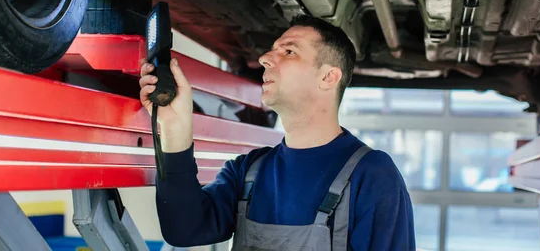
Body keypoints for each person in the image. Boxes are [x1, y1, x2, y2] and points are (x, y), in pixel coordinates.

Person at [139, 15, 415, 250]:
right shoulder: (247, 171)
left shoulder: (372, 174)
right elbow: (184, 230)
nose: (265, 58)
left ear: (328, 77)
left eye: (289, 51)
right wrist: (175, 129)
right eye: (272, 50)